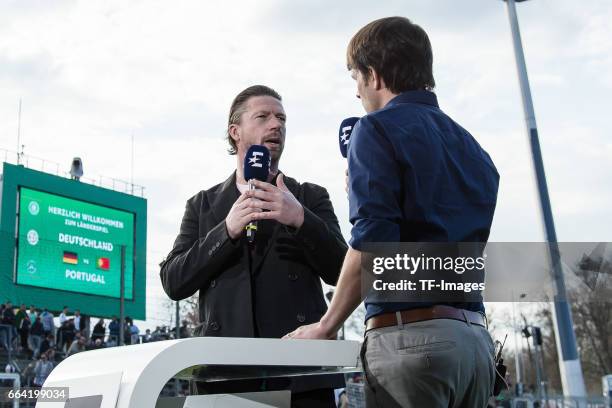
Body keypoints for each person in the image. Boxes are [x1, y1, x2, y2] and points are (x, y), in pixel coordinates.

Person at [288, 17, 500, 408]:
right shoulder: (474, 149)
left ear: (375, 74)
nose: (356, 92)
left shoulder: (374, 130)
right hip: (475, 348)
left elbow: (372, 245)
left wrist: (327, 324)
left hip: (413, 344)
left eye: (356, 77)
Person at [160, 85, 348, 407]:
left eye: (282, 119)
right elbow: (173, 281)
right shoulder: (202, 205)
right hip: (224, 376)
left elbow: (343, 270)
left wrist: (301, 218)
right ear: (235, 131)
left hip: (300, 376)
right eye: (263, 116)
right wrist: (227, 230)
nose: (276, 125)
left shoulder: (310, 197)